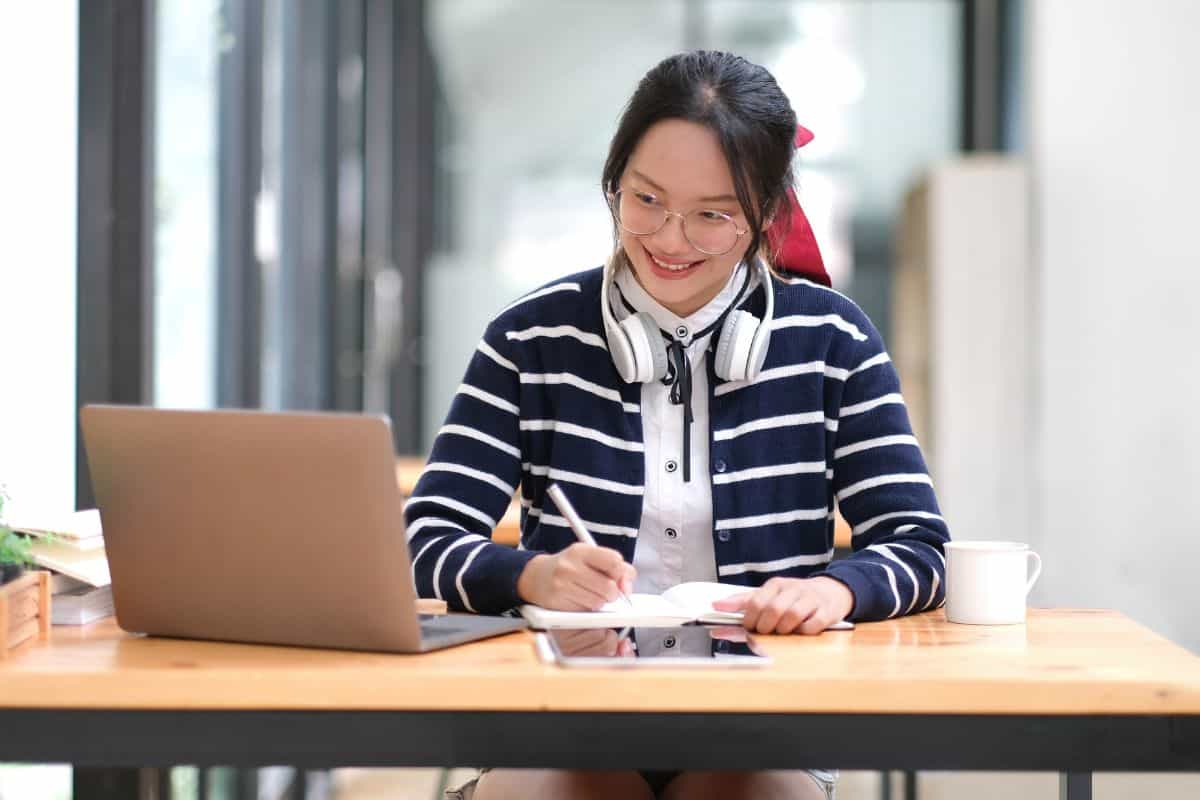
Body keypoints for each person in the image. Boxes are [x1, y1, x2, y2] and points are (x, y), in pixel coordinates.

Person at [407, 50, 951, 800]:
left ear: (764, 216)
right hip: (569, 710)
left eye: (712, 215)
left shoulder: (833, 342)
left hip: (762, 719)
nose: (669, 239)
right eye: (646, 200)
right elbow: (422, 540)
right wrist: (534, 575)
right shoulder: (531, 340)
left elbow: (920, 547)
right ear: (613, 185)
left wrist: (837, 591)